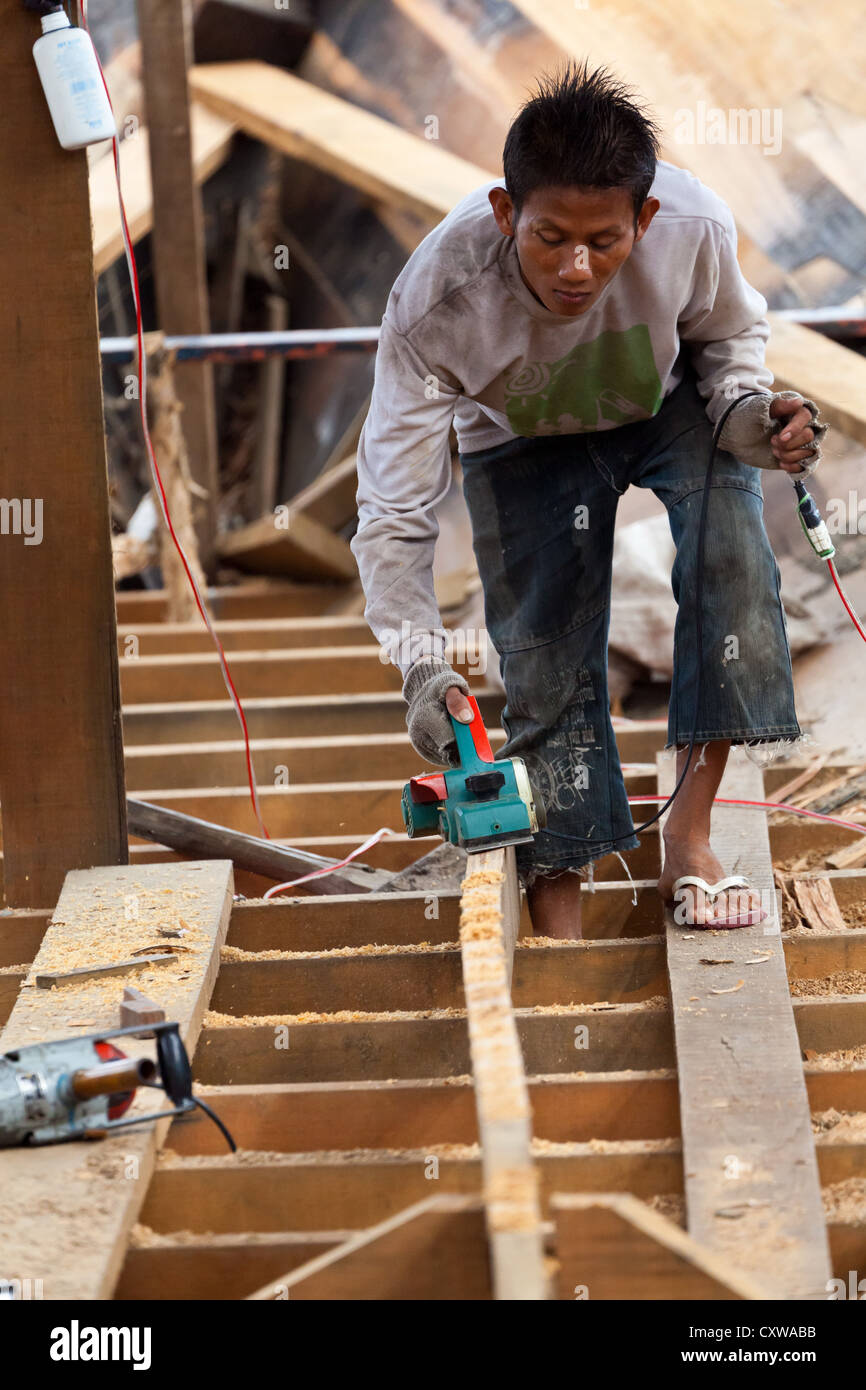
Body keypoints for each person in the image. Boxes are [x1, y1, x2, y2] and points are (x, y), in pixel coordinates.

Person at [351, 62, 826, 939]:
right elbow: (393, 508)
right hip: (519, 438)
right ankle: (560, 921)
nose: (576, 267)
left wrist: (755, 414)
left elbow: (728, 339)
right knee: (542, 657)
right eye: (550, 237)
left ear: (644, 221)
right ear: (506, 213)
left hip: (668, 406)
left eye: (604, 242)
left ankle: (687, 841)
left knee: (730, 550)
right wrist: (419, 662)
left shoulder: (690, 224)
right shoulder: (436, 303)